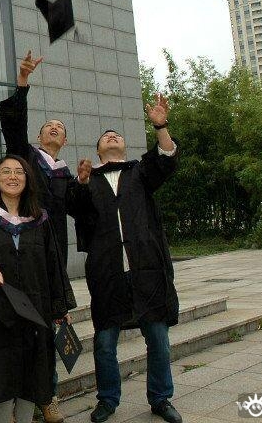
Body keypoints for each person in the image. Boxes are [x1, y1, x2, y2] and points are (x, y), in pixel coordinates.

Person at [68, 95, 182, 423]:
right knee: (105, 342)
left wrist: (161, 125)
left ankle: (160, 398)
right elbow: (74, 208)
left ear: (124, 147)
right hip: (108, 273)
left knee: (158, 338)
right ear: (98, 150)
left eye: (117, 135)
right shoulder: (90, 180)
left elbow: (167, 159)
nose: (112, 136)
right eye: (106, 136)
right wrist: (81, 183)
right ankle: (107, 399)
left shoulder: (139, 172)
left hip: (147, 269)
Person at [0, 51, 78, 423]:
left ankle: (47, 396)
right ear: (38, 136)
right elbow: (14, 127)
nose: (54, 129)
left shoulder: (66, 175)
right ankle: (11, 399)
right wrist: (23, 83)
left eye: (60, 127)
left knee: (46, 330)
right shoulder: (26, 158)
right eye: (49, 126)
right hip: (17, 254)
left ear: (65, 140)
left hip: (49, 259)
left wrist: (85, 185)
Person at [0, 155, 75, 423]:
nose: (12, 176)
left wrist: (60, 307)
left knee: (33, 373)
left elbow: (54, 264)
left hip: (35, 310)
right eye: (5, 171)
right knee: (1, 375)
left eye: (19, 172)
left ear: (27, 179)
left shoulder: (39, 218)